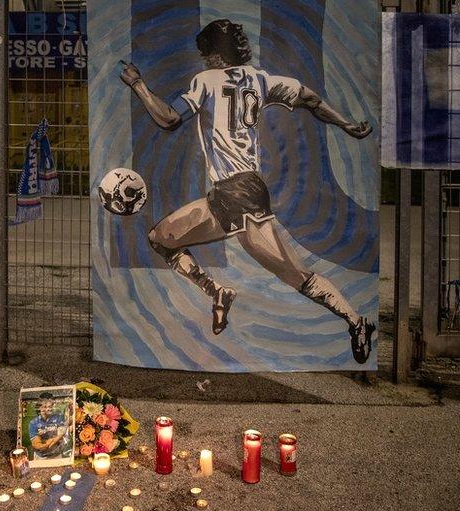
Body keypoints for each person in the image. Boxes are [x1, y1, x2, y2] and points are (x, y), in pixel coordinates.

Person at [119, 19, 376, 364]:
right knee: (161, 237)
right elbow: (311, 99)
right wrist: (345, 124)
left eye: (206, 53)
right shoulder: (262, 79)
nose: (205, 59)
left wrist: (139, 86)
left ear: (214, 55)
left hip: (240, 194)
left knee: (296, 276)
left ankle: (357, 321)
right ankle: (218, 292)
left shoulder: (206, 81)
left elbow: (167, 118)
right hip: (227, 195)